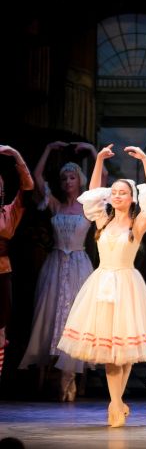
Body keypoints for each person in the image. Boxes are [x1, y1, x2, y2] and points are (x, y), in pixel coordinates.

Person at [56, 144, 146, 427]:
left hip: (126, 286)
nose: (116, 195)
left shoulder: (137, 224)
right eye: (114, 192)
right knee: (110, 354)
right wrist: (99, 160)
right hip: (102, 286)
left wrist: (145, 160)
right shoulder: (102, 221)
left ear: (132, 198)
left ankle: (116, 404)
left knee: (123, 352)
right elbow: (93, 194)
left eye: (122, 192)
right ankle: (116, 404)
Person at [19, 141, 98, 401]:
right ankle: (50, 373)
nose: (67, 182)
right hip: (55, 265)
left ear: (80, 180)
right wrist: (49, 149)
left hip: (78, 265)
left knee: (76, 316)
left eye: (72, 177)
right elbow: (37, 177)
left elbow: (102, 179)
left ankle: (71, 374)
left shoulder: (88, 206)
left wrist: (92, 151)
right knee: (50, 315)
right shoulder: (55, 205)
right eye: (64, 178)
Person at [0, 144, 34, 379]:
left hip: (2, 274)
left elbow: (28, 186)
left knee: (0, 330)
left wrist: (16, 154)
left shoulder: (9, 212)